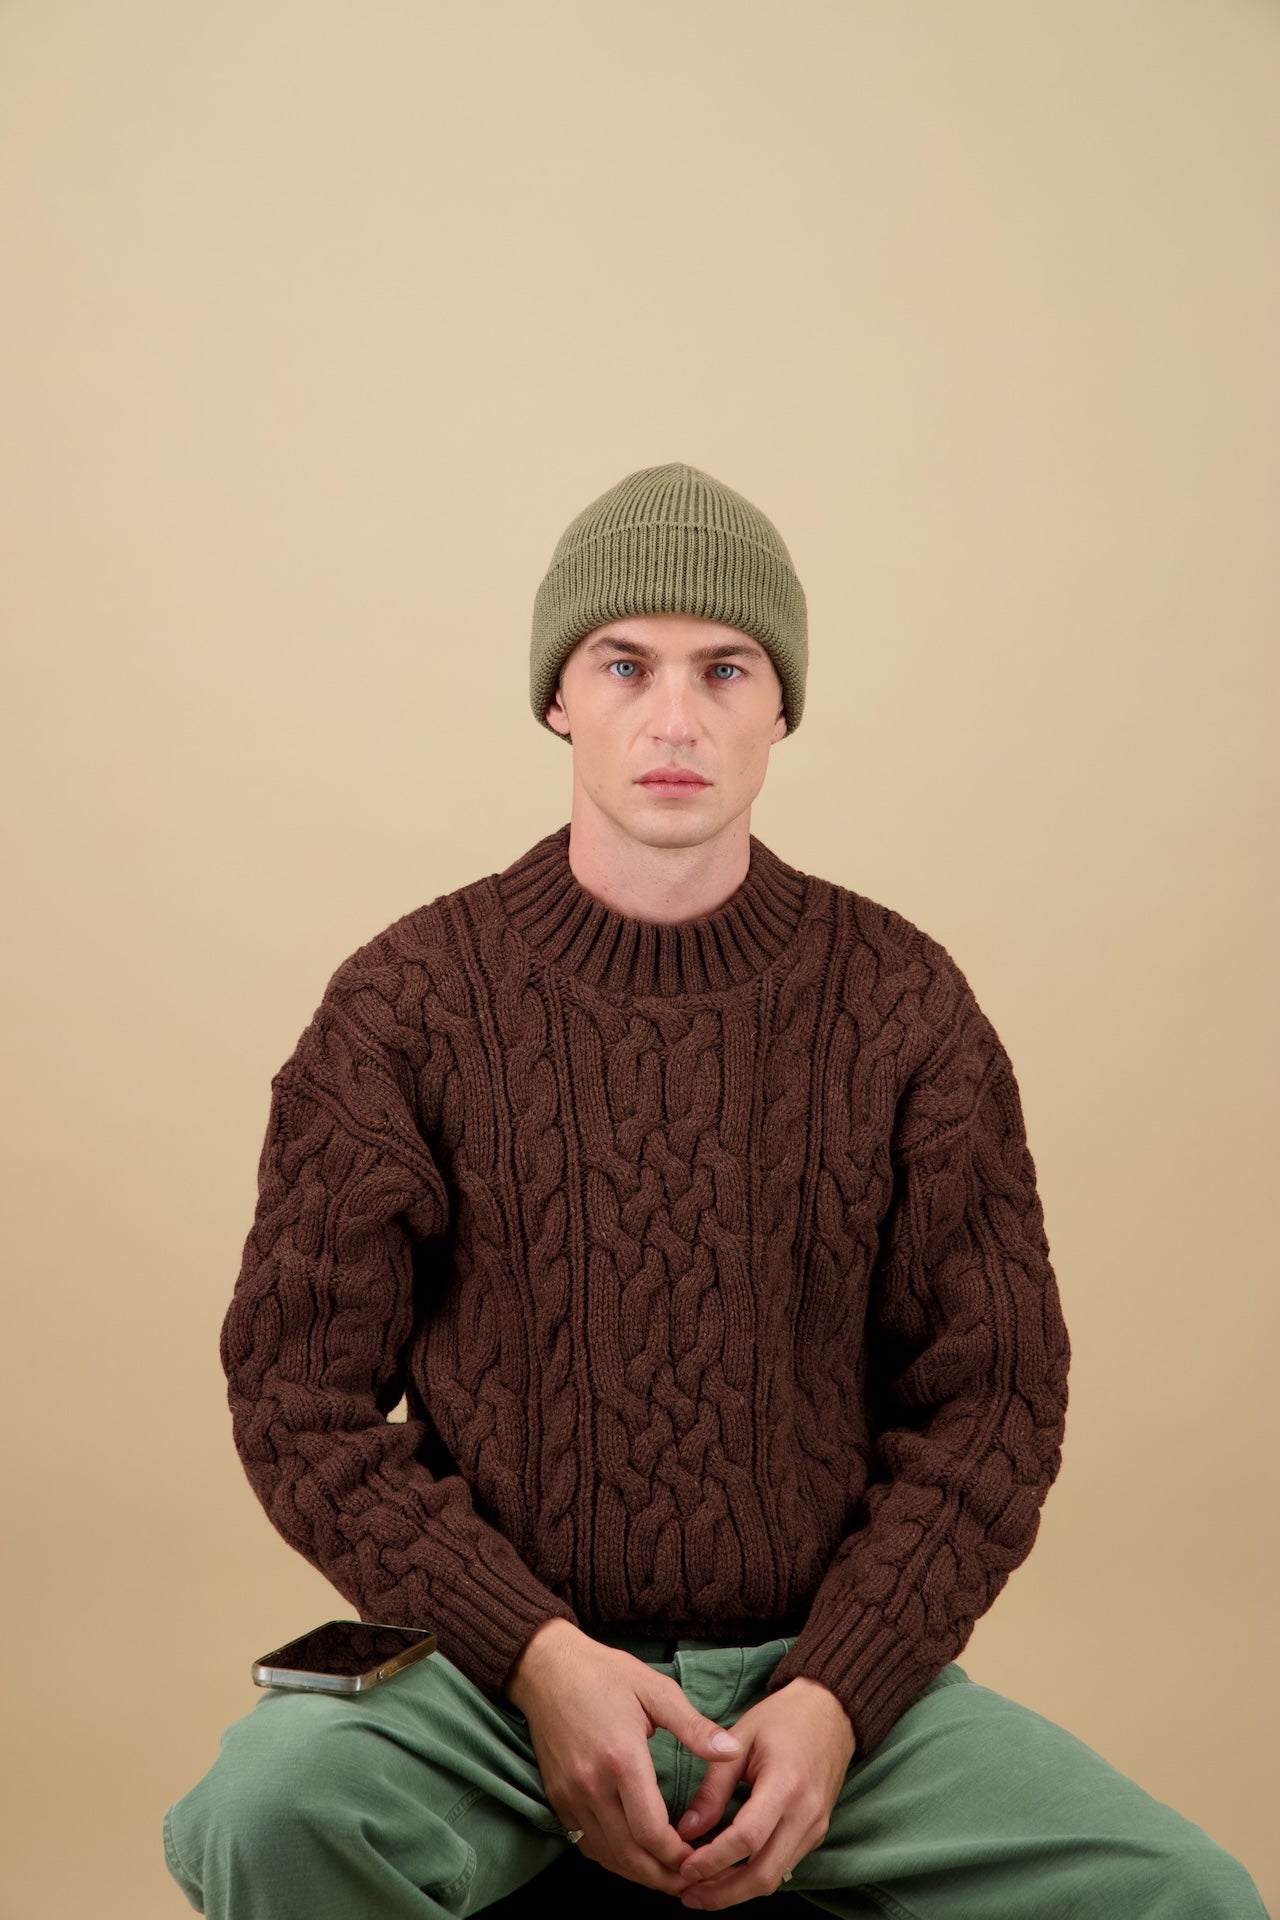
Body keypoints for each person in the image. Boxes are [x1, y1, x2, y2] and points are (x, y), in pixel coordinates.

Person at [162, 463, 1266, 1917]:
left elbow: (995, 1405)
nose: (674, 718)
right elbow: (295, 1397)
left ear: (782, 704)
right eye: (626, 665)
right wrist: (534, 1657)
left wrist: (842, 1693)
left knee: (1189, 1898)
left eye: (725, 668)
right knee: (265, 1809)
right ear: (559, 698)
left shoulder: (903, 1005)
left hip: (818, 1686)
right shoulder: (405, 1005)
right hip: (490, 1691)